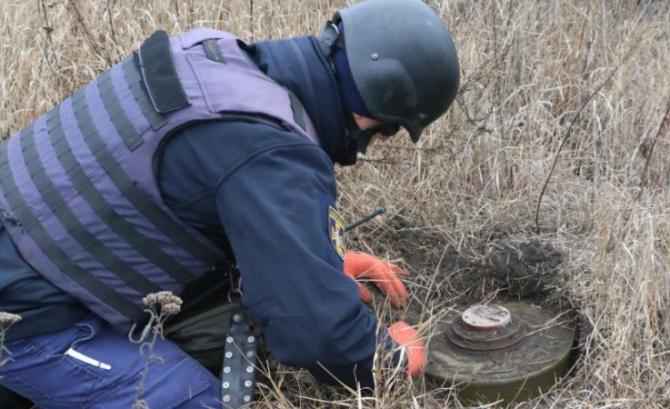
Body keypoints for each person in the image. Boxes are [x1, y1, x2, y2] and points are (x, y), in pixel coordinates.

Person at [0, 0, 460, 407]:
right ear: (376, 101)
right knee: (188, 401)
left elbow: (194, 197)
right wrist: (387, 358)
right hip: (25, 315)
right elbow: (315, 332)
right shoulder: (271, 153)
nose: (374, 143)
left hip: (24, 244)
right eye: (388, 129)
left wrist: (321, 260)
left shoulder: (214, 55)